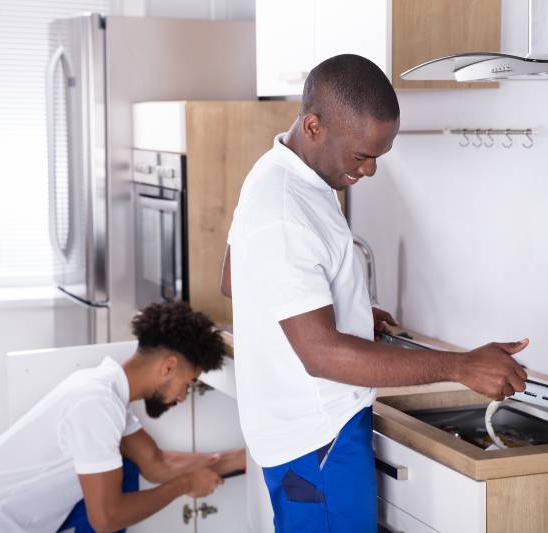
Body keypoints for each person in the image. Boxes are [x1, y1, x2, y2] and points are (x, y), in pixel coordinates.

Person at [221, 54, 529, 532]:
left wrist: (346, 311)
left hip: (301, 435)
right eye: (361, 156)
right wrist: (461, 365)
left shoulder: (279, 173)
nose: (369, 172)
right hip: (319, 440)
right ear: (314, 126)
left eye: (378, 157)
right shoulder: (285, 208)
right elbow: (322, 355)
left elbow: (234, 278)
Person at [0, 301, 245, 533]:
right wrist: (184, 485)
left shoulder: (105, 393)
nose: (181, 396)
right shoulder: (95, 404)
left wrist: (245, 458)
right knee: (111, 496)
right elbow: (107, 517)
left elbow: (157, 464)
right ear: (167, 367)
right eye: (186, 384)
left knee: (122, 470)